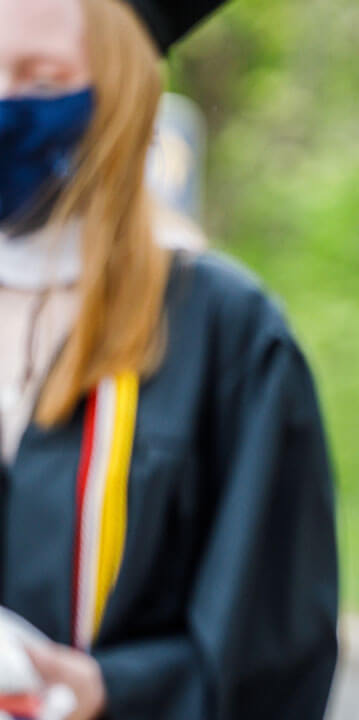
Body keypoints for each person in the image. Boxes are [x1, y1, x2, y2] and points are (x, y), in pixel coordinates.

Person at [0, 1, 339, 717]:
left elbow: (270, 649)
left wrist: (109, 688)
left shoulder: (222, 331)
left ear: (121, 92)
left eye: (39, 78)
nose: (4, 101)